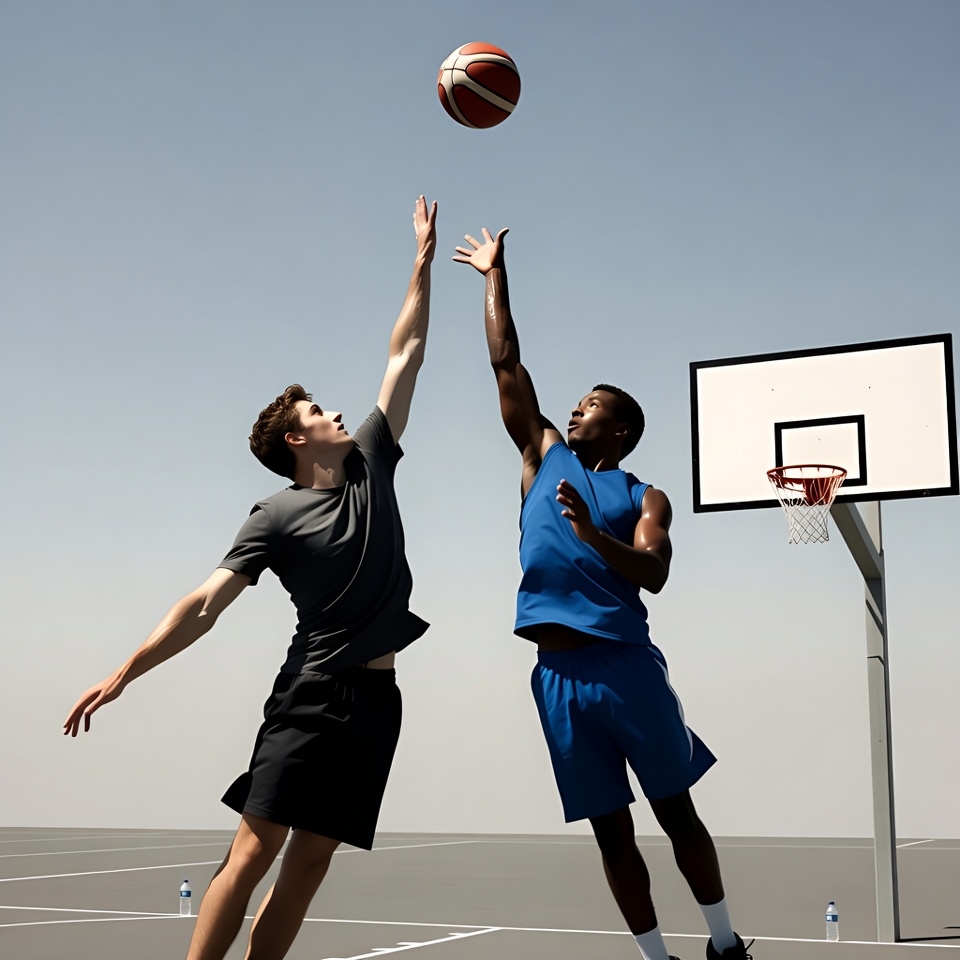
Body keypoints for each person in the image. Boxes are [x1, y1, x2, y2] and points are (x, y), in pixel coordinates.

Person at [64, 196, 438, 960]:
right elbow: (204, 604)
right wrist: (125, 670)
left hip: (376, 701)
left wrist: (421, 265)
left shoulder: (370, 460)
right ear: (298, 439)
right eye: (318, 409)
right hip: (312, 694)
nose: (338, 412)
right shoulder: (273, 514)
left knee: (309, 865)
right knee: (254, 851)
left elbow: (405, 354)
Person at [453, 226, 752, 960]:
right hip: (554, 675)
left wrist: (592, 535)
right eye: (575, 402)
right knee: (610, 830)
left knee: (676, 812)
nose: (575, 408)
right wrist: (495, 274)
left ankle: (724, 945)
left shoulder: (645, 496)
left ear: (617, 431)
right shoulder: (540, 455)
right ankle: (657, 958)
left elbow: (654, 572)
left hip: (623, 663)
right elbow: (506, 362)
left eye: (591, 405)